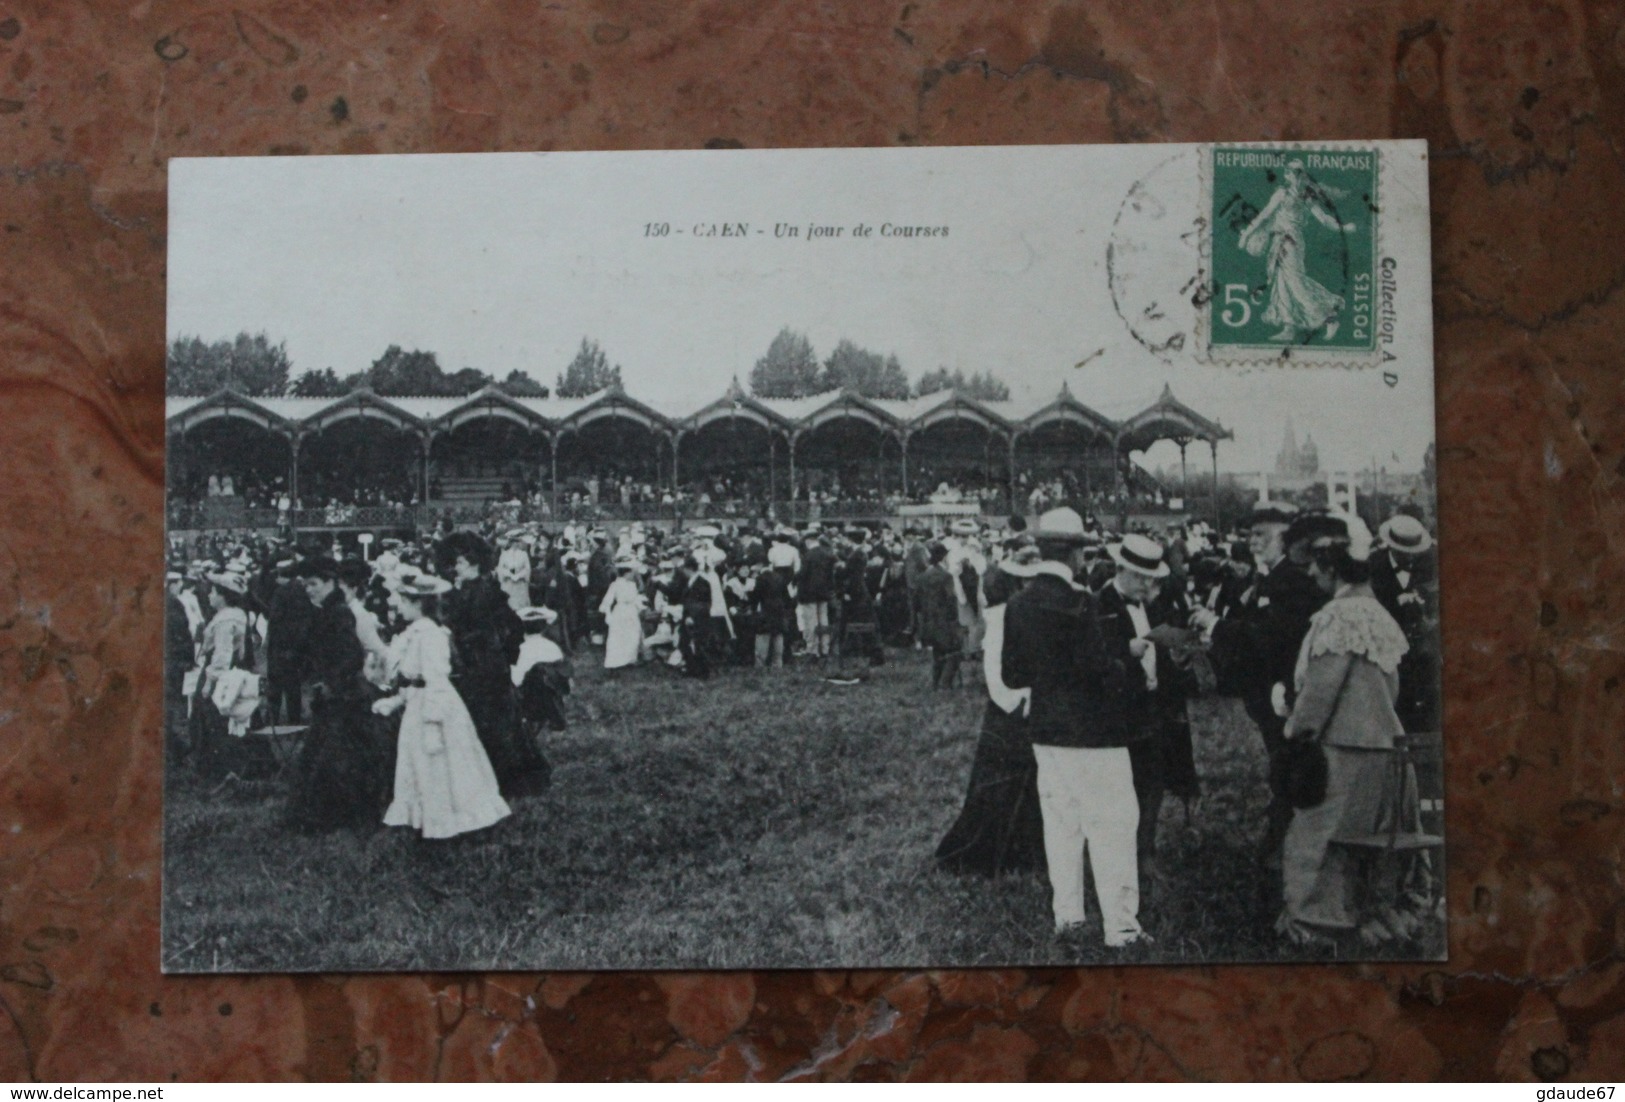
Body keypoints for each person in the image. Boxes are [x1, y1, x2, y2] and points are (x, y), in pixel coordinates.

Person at [1002, 507, 1146, 949]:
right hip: (1094, 731)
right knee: (1114, 826)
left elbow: (1012, 674)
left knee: (1062, 825)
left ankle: (1068, 916)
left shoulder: (1019, 603)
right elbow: (1099, 670)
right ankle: (1121, 928)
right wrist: (1128, 664)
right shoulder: (1082, 603)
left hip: (1046, 729)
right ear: (1073, 555)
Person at [1278, 513, 1424, 948]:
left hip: (1345, 754)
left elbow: (1320, 696)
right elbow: (1392, 688)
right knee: (1371, 846)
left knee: (1314, 841)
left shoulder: (1337, 617)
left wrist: (1293, 724)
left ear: (1331, 567)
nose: (1309, 573)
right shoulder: (1379, 615)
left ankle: (1318, 922)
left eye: (1313, 566)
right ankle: (1375, 915)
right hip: (1387, 752)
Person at [1194, 502, 1328, 865]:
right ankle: (1283, 839)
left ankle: (1286, 845)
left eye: (1261, 536)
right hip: (1268, 695)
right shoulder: (1269, 578)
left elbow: (1271, 637)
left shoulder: (1292, 581)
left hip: (1286, 695)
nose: (1252, 543)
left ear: (1286, 541)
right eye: (1250, 535)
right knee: (1281, 764)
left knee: (1288, 765)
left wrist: (1216, 626)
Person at [934, 540, 1046, 877]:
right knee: (997, 788)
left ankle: (1028, 853)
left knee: (1033, 788)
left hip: (1033, 707)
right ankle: (983, 855)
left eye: (1036, 581)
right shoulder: (1000, 617)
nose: (1031, 587)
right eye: (1026, 581)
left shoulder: (1040, 615)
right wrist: (1017, 703)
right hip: (1008, 711)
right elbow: (994, 673)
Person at [373, 573, 512, 840]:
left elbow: (434, 680)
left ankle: (449, 823)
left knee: (441, 765)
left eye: (401, 600)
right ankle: (426, 820)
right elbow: (412, 677)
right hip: (417, 705)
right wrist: (397, 700)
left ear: (417, 603)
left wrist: (434, 724)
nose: (397, 606)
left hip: (435, 709)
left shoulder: (432, 635)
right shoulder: (412, 633)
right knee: (420, 765)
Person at [441, 531, 550, 799]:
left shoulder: (483, 591)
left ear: (473, 563)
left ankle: (506, 778)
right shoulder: (471, 590)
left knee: (494, 720)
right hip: (482, 663)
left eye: (460, 564)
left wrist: (497, 650)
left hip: (484, 664)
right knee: (494, 718)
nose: (456, 568)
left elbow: (511, 626)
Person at [285, 557, 382, 832]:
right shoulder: (326, 610)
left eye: (313, 584)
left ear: (330, 582)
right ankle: (330, 817)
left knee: (337, 758)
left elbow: (351, 656)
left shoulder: (338, 612)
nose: (308, 590)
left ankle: (335, 819)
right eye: (305, 585)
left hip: (345, 696)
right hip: (336, 694)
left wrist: (331, 683)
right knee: (325, 756)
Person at [1236, 158, 1357, 342]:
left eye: (1297, 173)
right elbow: (1264, 215)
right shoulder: (1282, 193)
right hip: (1278, 240)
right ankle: (1289, 327)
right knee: (1281, 282)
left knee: (1295, 282)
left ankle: (1329, 319)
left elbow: (1324, 218)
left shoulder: (1306, 196)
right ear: (1288, 175)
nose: (1294, 176)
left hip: (1292, 242)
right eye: (1291, 172)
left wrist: (1343, 227)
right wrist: (1246, 236)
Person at [188, 569, 257, 781]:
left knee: (210, 718)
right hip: (230, 670)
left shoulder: (226, 619)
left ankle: (216, 768)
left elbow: (223, 655)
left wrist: (210, 681)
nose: (209, 595)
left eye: (213, 592)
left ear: (223, 595)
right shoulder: (236, 614)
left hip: (219, 674)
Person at [915, 543, 963, 689]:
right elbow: (951, 600)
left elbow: (916, 600)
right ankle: (945, 683)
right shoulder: (946, 576)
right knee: (955, 652)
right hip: (944, 621)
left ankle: (936, 682)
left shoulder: (923, 576)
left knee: (938, 652)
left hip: (928, 620)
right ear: (944, 558)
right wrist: (955, 620)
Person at [796, 530, 838, 660]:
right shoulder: (828, 554)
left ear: (808, 541)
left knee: (811, 621)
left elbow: (803, 575)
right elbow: (831, 575)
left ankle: (813, 650)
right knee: (823, 620)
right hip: (824, 592)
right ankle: (824, 648)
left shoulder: (808, 556)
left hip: (809, 593)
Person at [600, 555, 646, 670]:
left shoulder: (632, 585)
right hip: (621, 611)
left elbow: (635, 599)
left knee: (633, 634)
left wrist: (641, 607)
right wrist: (607, 612)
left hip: (631, 611)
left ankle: (630, 659)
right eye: (631, 573)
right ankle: (616, 661)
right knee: (619, 636)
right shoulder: (615, 585)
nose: (632, 575)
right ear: (626, 573)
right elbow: (607, 600)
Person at [678, 556, 714, 680]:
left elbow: (704, 604)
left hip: (698, 619)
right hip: (689, 617)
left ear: (689, 569)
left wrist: (692, 616)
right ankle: (692, 668)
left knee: (700, 645)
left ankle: (703, 672)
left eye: (684, 569)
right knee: (684, 643)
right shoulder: (690, 582)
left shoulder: (702, 583)